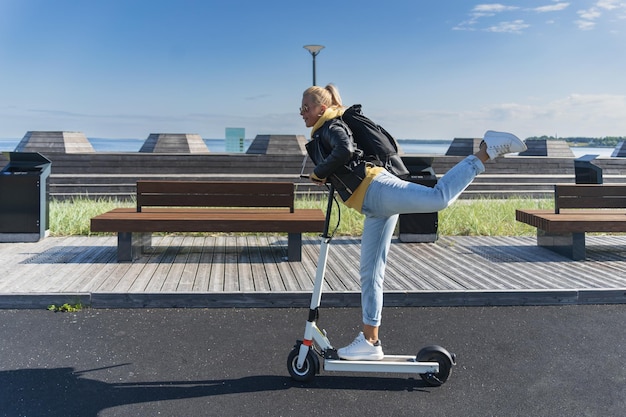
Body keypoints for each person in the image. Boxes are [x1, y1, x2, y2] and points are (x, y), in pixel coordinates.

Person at [300, 84, 527, 361]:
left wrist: (319, 172)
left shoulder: (331, 126)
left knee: (438, 198)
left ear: (321, 109)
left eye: (306, 107)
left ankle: (485, 151)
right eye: (301, 108)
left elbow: (345, 150)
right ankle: (370, 342)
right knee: (370, 273)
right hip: (372, 204)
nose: (302, 113)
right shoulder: (325, 127)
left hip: (377, 189)